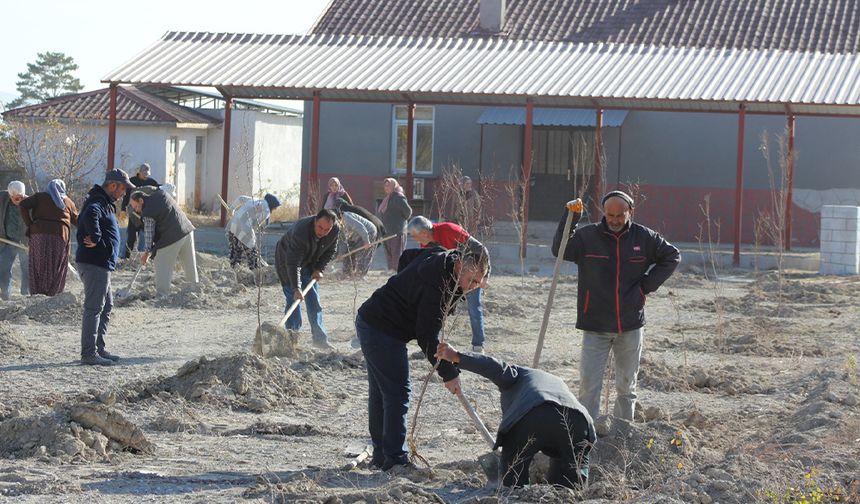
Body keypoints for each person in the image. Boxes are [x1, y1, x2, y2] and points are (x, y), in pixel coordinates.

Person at [356, 244, 489, 470]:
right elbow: (426, 337)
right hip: (382, 329)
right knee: (397, 393)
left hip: (373, 320)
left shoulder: (442, 254)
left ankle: (381, 455)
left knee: (382, 392)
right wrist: (448, 374)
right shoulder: (437, 286)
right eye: (473, 281)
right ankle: (396, 460)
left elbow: (408, 255)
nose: (475, 287)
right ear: (458, 266)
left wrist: (405, 286)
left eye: (480, 281)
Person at [552, 191, 680, 421]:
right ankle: (586, 436)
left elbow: (672, 256)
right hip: (595, 326)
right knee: (589, 387)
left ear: (630, 211)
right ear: (603, 212)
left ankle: (623, 434)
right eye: (610, 215)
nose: (614, 220)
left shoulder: (644, 237)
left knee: (626, 387)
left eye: (620, 215)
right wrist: (570, 218)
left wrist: (646, 286)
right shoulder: (588, 237)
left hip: (630, 325)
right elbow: (559, 250)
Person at [435, 342, 595, 489]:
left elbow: (493, 366)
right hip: (578, 422)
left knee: (512, 485)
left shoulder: (518, 374)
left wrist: (457, 356)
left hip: (532, 416)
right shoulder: (558, 383)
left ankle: (515, 492)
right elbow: (571, 431)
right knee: (571, 488)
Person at [76, 169, 135, 366]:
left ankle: (98, 349)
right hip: (94, 263)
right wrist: (96, 237)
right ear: (112, 185)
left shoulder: (104, 202)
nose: (124, 193)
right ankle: (88, 354)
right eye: (123, 188)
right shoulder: (97, 201)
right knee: (94, 308)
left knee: (106, 305)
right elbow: (89, 215)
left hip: (101, 263)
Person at [408, 216, 489, 353]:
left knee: (473, 308)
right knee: (438, 309)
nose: (415, 241)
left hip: (471, 274)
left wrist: (484, 276)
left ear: (424, 233)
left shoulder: (449, 230)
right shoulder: (425, 244)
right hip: (450, 279)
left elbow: (481, 249)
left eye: (415, 237)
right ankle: (434, 345)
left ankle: (478, 346)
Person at [274, 209, 339, 350]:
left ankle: (320, 339)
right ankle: (292, 339)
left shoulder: (334, 230)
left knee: (314, 301)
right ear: (315, 220)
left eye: (327, 229)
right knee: (293, 299)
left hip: (309, 262)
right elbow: (293, 263)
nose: (322, 232)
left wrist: (319, 269)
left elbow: (330, 250)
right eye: (320, 227)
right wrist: (296, 288)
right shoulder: (301, 231)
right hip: (287, 261)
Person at [128, 188, 198, 296]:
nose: (136, 210)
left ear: (141, 200)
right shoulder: (161, 194)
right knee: (190, 265)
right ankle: (195, 290)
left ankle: (162, 294)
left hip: (172, 236)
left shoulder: (148, 211)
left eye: (136, 206)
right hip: (187, 230)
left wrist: (146, 253)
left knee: (161, 262)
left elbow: (149, 233)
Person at [18, 179, 79, 296]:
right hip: (59, 236)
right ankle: (53, 293)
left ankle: (37, 293)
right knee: (56, 265)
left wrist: (30, 224)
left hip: (38, 236)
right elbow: (78, 221)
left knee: (38, 263)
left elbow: (22, 205)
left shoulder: (39, 197)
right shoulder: (68, 202)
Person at [226, 193, 281, 270]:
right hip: (245, 228)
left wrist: (231, 209)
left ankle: (234, 268)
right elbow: (255, 224)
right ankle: (255, 271)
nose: (275, 209)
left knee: (236, 249)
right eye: (275, 207)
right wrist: (253, 238)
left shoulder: (254, 200)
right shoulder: (266, 211)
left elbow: (241, 198)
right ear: (272, 205)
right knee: (252, 253)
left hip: (233, 224)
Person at [120, 163, 159, 259]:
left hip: (146, 214)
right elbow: (126, 196)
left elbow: (158, 193)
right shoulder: (132, 181)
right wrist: (123, 210)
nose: (146, 174)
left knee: (149, 236)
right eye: (144, 171)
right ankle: (126, 257)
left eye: (147, 172)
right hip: (133, 213)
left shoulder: (152, 182)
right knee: (131, 237)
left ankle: (148, 257)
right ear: (139, 172)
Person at [0, 181, 29, 300]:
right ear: (10, 195)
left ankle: (26, 295)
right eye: (16, 198)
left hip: (25, 242)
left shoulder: (30, 202)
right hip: (7, 240)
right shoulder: (2, 198)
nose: (19, 200)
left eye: (21, 197)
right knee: (3, 267)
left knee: (27, 268)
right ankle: (6, 294)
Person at [377, 178, 412, 271]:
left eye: (388, 185)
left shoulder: (398, 197)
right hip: (386, 232)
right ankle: (391, 271)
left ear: (394, 186)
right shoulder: (387, 199)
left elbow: (408, 212)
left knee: (397, 254)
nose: (386, 187)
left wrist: (398, 221)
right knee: (389, 254)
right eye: (385, 185)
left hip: (397, 231)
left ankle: (397, 272)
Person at [338, 210, 378, 279]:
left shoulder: (347, 219)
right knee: (349, 252)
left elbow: (361, 228)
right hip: (355, 235)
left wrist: (367, 242)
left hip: (368, 231)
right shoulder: (337, 226)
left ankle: (360, 274)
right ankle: (347, 273)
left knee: (364, 254)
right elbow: (342, 241)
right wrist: (341, 254)